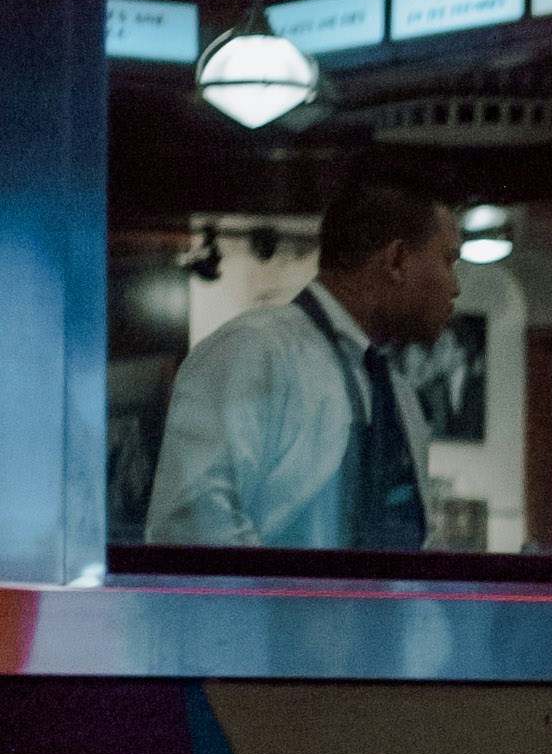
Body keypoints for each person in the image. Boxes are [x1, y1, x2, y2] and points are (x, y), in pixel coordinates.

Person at [146, 173, 459, 549]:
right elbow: (192, 526)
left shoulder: (399, 395)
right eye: (449, 260)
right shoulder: (254, 351)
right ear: (397, 261)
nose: (456, 287)